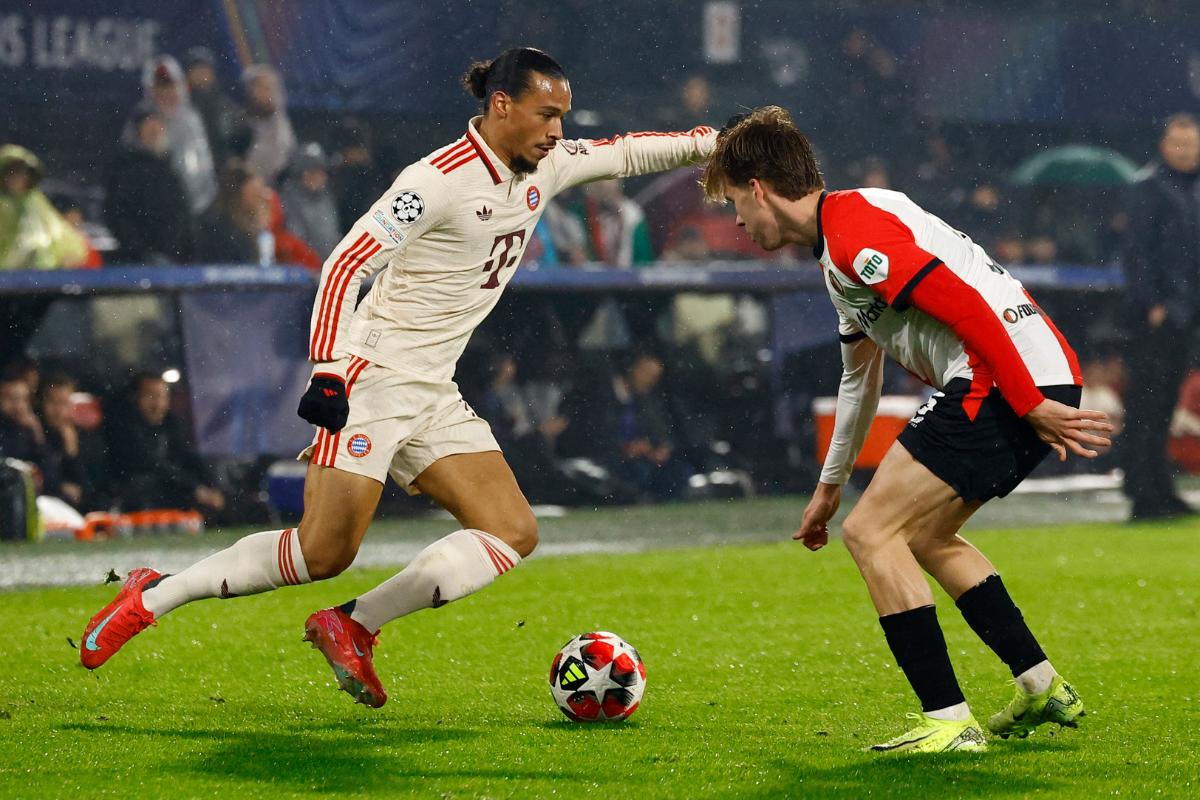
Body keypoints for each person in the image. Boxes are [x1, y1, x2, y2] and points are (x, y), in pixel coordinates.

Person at [80, 47, 717, 709]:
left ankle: (353, 623)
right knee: (322, 552)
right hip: (373, 380)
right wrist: (329, 371)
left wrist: (716, 142)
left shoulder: (546, 164)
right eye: (546, 114)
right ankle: (154, 594)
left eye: (563, 116)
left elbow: (628, 152)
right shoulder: (435, 180)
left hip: (433, 390)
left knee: (512, 529)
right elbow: (345, 264)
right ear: (502, 106)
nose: (557, 130)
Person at [702, 107, 1111, 753]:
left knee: (872, 534)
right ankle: (1041, 685)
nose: (737, 222)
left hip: (1003, 377)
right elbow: (858, 380)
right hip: (1023, 372)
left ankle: (948, 723)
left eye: (732, 204)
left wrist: (1027, 400)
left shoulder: (856, 232)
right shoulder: (842, 242)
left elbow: (969, 306)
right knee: (924, 534)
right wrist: (829, 487)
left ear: (759, 188)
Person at [1119, 113, 1200, 520]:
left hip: (1185, 313)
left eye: (1192, 145)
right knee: (1147, 404)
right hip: (1159, 314)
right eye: (1180, 144)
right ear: (1164, 146)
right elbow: (1136, 252)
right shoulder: (1147, 188)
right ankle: (1142, 489)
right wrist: (1152, 303)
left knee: (1164, 402)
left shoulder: (1193, 189)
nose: (1187, 152)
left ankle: (1158, 486)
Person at [103, 373, 226, 514]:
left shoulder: (170, 423)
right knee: (148, 483)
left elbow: (187, 455)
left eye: (163, 396)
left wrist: (212, 485)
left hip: (172, 484)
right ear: (135, 398)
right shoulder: (122, 427)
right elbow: (151, 463)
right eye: (151, 396)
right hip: (135, 491)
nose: (158, 404)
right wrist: (194, 489)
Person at [106, 108, 194, 264]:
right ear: (138, 132)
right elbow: (118, 214)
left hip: (173, 258)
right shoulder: (126, 169)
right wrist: (141, 250)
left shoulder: (170, 169)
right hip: (140, 260)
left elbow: (181, 213)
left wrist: (181, 249)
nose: (155, 132)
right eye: (149, 127)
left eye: (159, 127)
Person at [140, 56, 217, 217]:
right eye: (160, 87)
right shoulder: (141, 121)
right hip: (154, 210)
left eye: (171, 85)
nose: (167, 93)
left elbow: (203, 168)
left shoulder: (192, 121)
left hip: (194, 210)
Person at [0, 144, 88, 270]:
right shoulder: (4, 205)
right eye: (12, 173)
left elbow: (59, 233)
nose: (17, 179)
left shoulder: (36, 202)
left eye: (22, 173)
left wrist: (67, 254)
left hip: (42, 278)